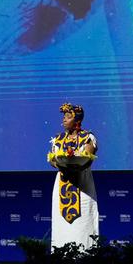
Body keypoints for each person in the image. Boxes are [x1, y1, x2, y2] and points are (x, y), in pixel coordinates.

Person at [50, 102, 99, 250]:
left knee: (83, 222)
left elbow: (89, 157)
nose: (64, 119)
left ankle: (85, 261)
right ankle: (61, 259)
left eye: (68, 116)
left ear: (77, 120)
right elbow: (53, 159)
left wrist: (76, 165)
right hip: (62, 184)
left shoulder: (88, 137)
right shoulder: (58, 138)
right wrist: (60, 164)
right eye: (64, 117)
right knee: (62, 225)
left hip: (82, 186)